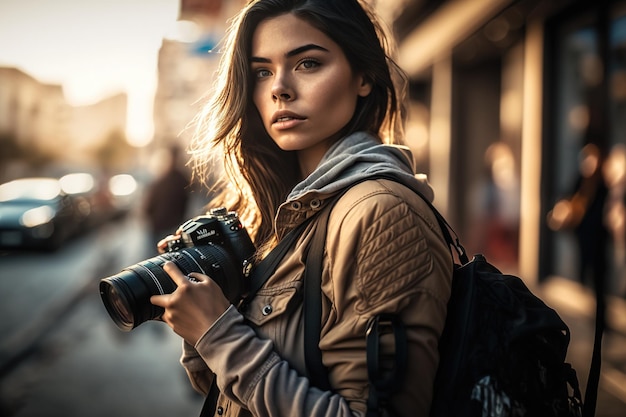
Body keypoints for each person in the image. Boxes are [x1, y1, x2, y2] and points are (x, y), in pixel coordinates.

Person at [150, 1, 452, 416]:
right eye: (262, 71)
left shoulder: (380, 213)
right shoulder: (278, 211)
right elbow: (221, 390)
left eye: (308, 63)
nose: (279, 87)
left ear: (363, 76)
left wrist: (218, 333)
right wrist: (204, 306)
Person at [142, 145, 191, 249]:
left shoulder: (162, 180)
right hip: (168, 226)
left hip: (161, 226)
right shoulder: (182, 179)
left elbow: (148, 206)